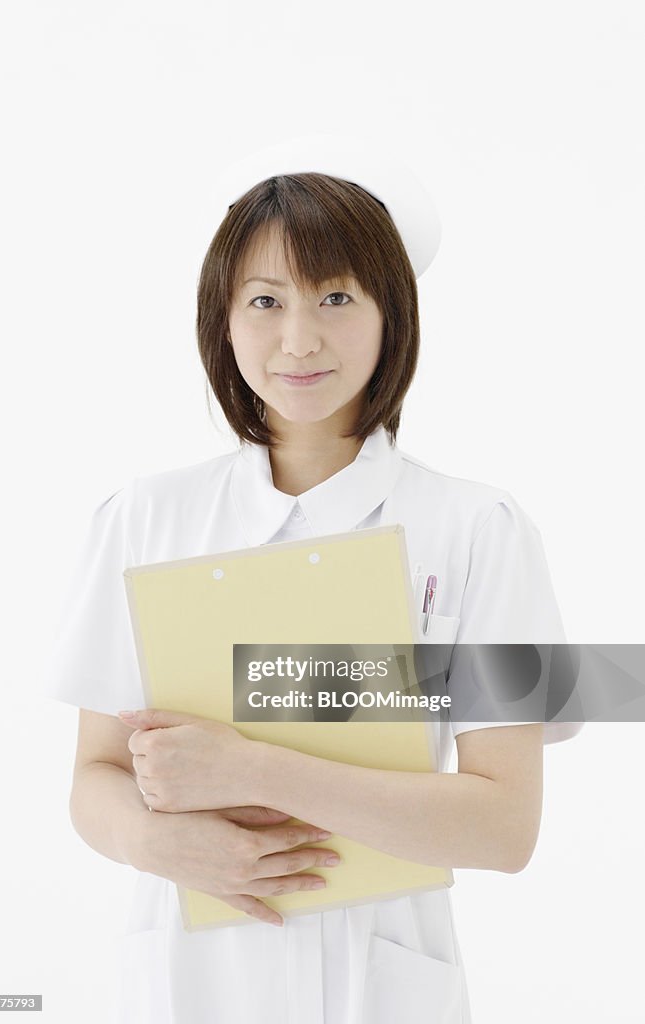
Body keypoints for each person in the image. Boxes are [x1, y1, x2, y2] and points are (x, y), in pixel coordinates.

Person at [44, 136, 582, 1024]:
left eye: (336, 296)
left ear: (391, 316)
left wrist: (253, 768)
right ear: (223, 318)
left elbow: (505, 830)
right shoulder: (142, 515)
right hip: (187, 979)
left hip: (380, 985)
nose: (299, 339)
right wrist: (153, 839)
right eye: (265, 300)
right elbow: (92, 777)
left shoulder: (484, 527)